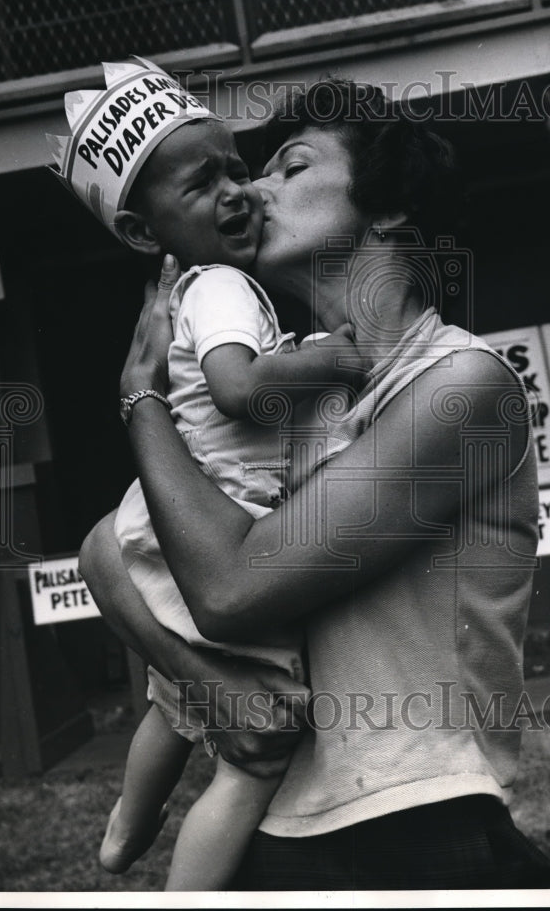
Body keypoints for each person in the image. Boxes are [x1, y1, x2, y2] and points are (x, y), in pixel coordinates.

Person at [80, 78, 550, 890]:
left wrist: (141, 397)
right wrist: (206, 684)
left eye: (289, 167)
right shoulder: (289, 393)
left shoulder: (462, 385)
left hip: (416, 823)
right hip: (273, 830)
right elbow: (105, 550)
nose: (249, 190)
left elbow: (230, 589)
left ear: (387, 210)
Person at [49, 58, 364, 890]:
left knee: (173, 701)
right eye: (201, 184)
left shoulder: (201, 290)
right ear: (145, 233)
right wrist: (338, 356)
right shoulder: (221, 286)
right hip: (216, 530)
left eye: (235, 167)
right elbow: (239, 387)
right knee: (254, 761)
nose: (236, 190)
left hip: (168, 528)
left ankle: (126, 827)